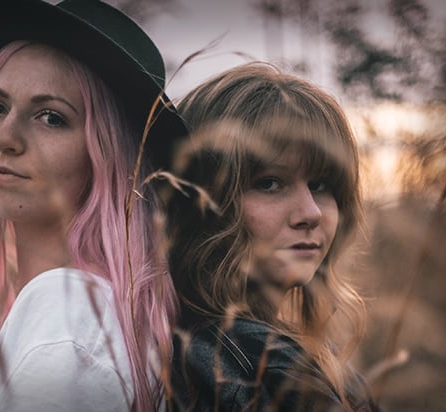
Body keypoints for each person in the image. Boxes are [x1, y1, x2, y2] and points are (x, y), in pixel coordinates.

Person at [0, 0, 187, 411]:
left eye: (51, 117)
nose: (6, 136)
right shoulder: (81, 315)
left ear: (108, 155)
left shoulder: (70, 326)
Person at [162, 63, 380, 411]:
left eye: (320, 185)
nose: (311, 213)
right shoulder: (237, 371)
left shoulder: (286, 357)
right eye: (269, 183)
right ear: (200, 202)